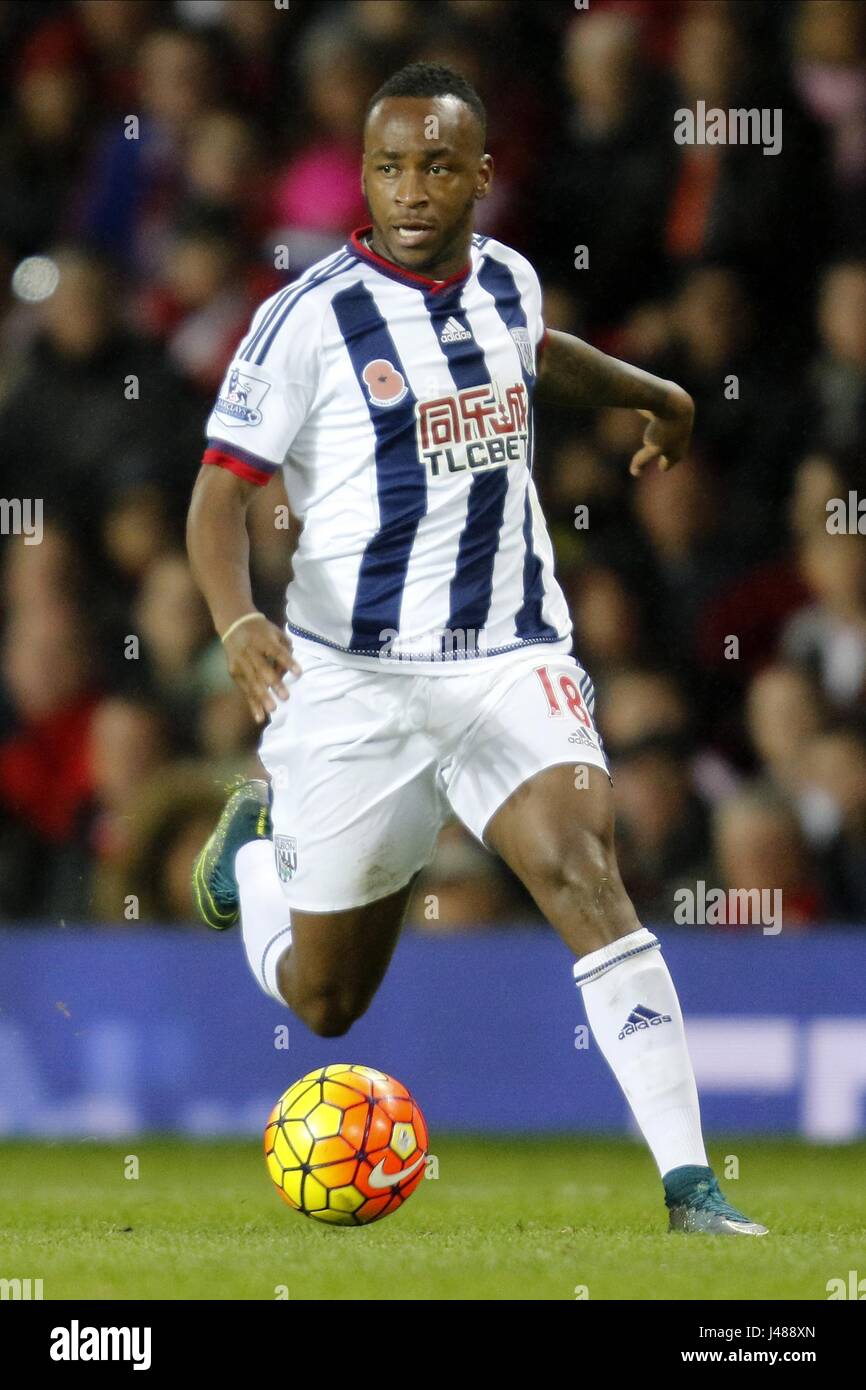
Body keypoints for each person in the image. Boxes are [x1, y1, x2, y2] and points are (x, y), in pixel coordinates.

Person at [186, 62, 766, 1237]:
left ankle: (690, 1187)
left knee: (581, 868)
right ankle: (253, 862)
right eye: (389, 165)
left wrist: (654, 393)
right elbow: (214, 495)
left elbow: (531, 351)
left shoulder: (504, 277)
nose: (410, 188)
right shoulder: (303, 320)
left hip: (508, 650)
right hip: (350, 679)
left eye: (436, 165)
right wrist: (236, 618)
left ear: (480, 177)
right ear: (361, 174)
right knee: (328, 1000)